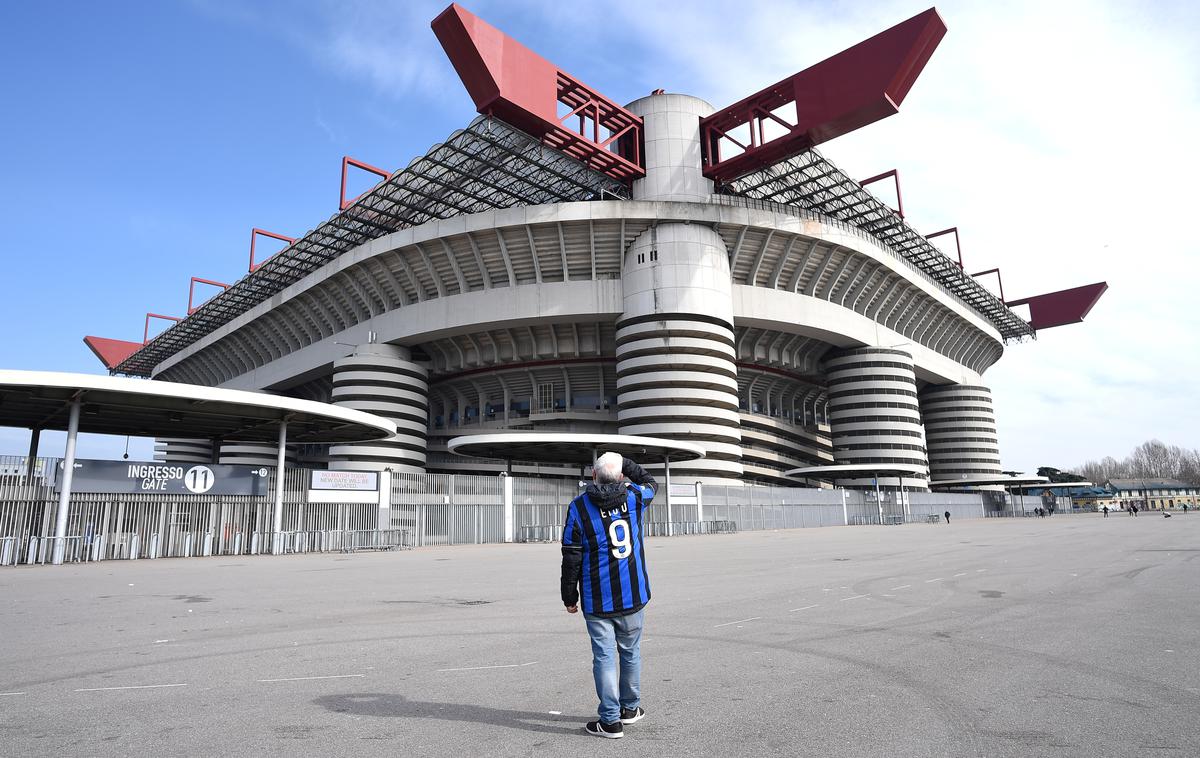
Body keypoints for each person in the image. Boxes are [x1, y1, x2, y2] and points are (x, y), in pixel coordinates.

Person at [561, 452, 657, 739]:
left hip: (597, 597)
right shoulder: (635, 497)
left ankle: (610, 720)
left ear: (593, 475)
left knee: (604, 657)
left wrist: (569, 595)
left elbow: (571, 556)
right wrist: (625, 464)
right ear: (621, 477)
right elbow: (651, 482)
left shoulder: (579, 507)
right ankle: (630, 709)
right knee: (630, 653)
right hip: (633, 594)